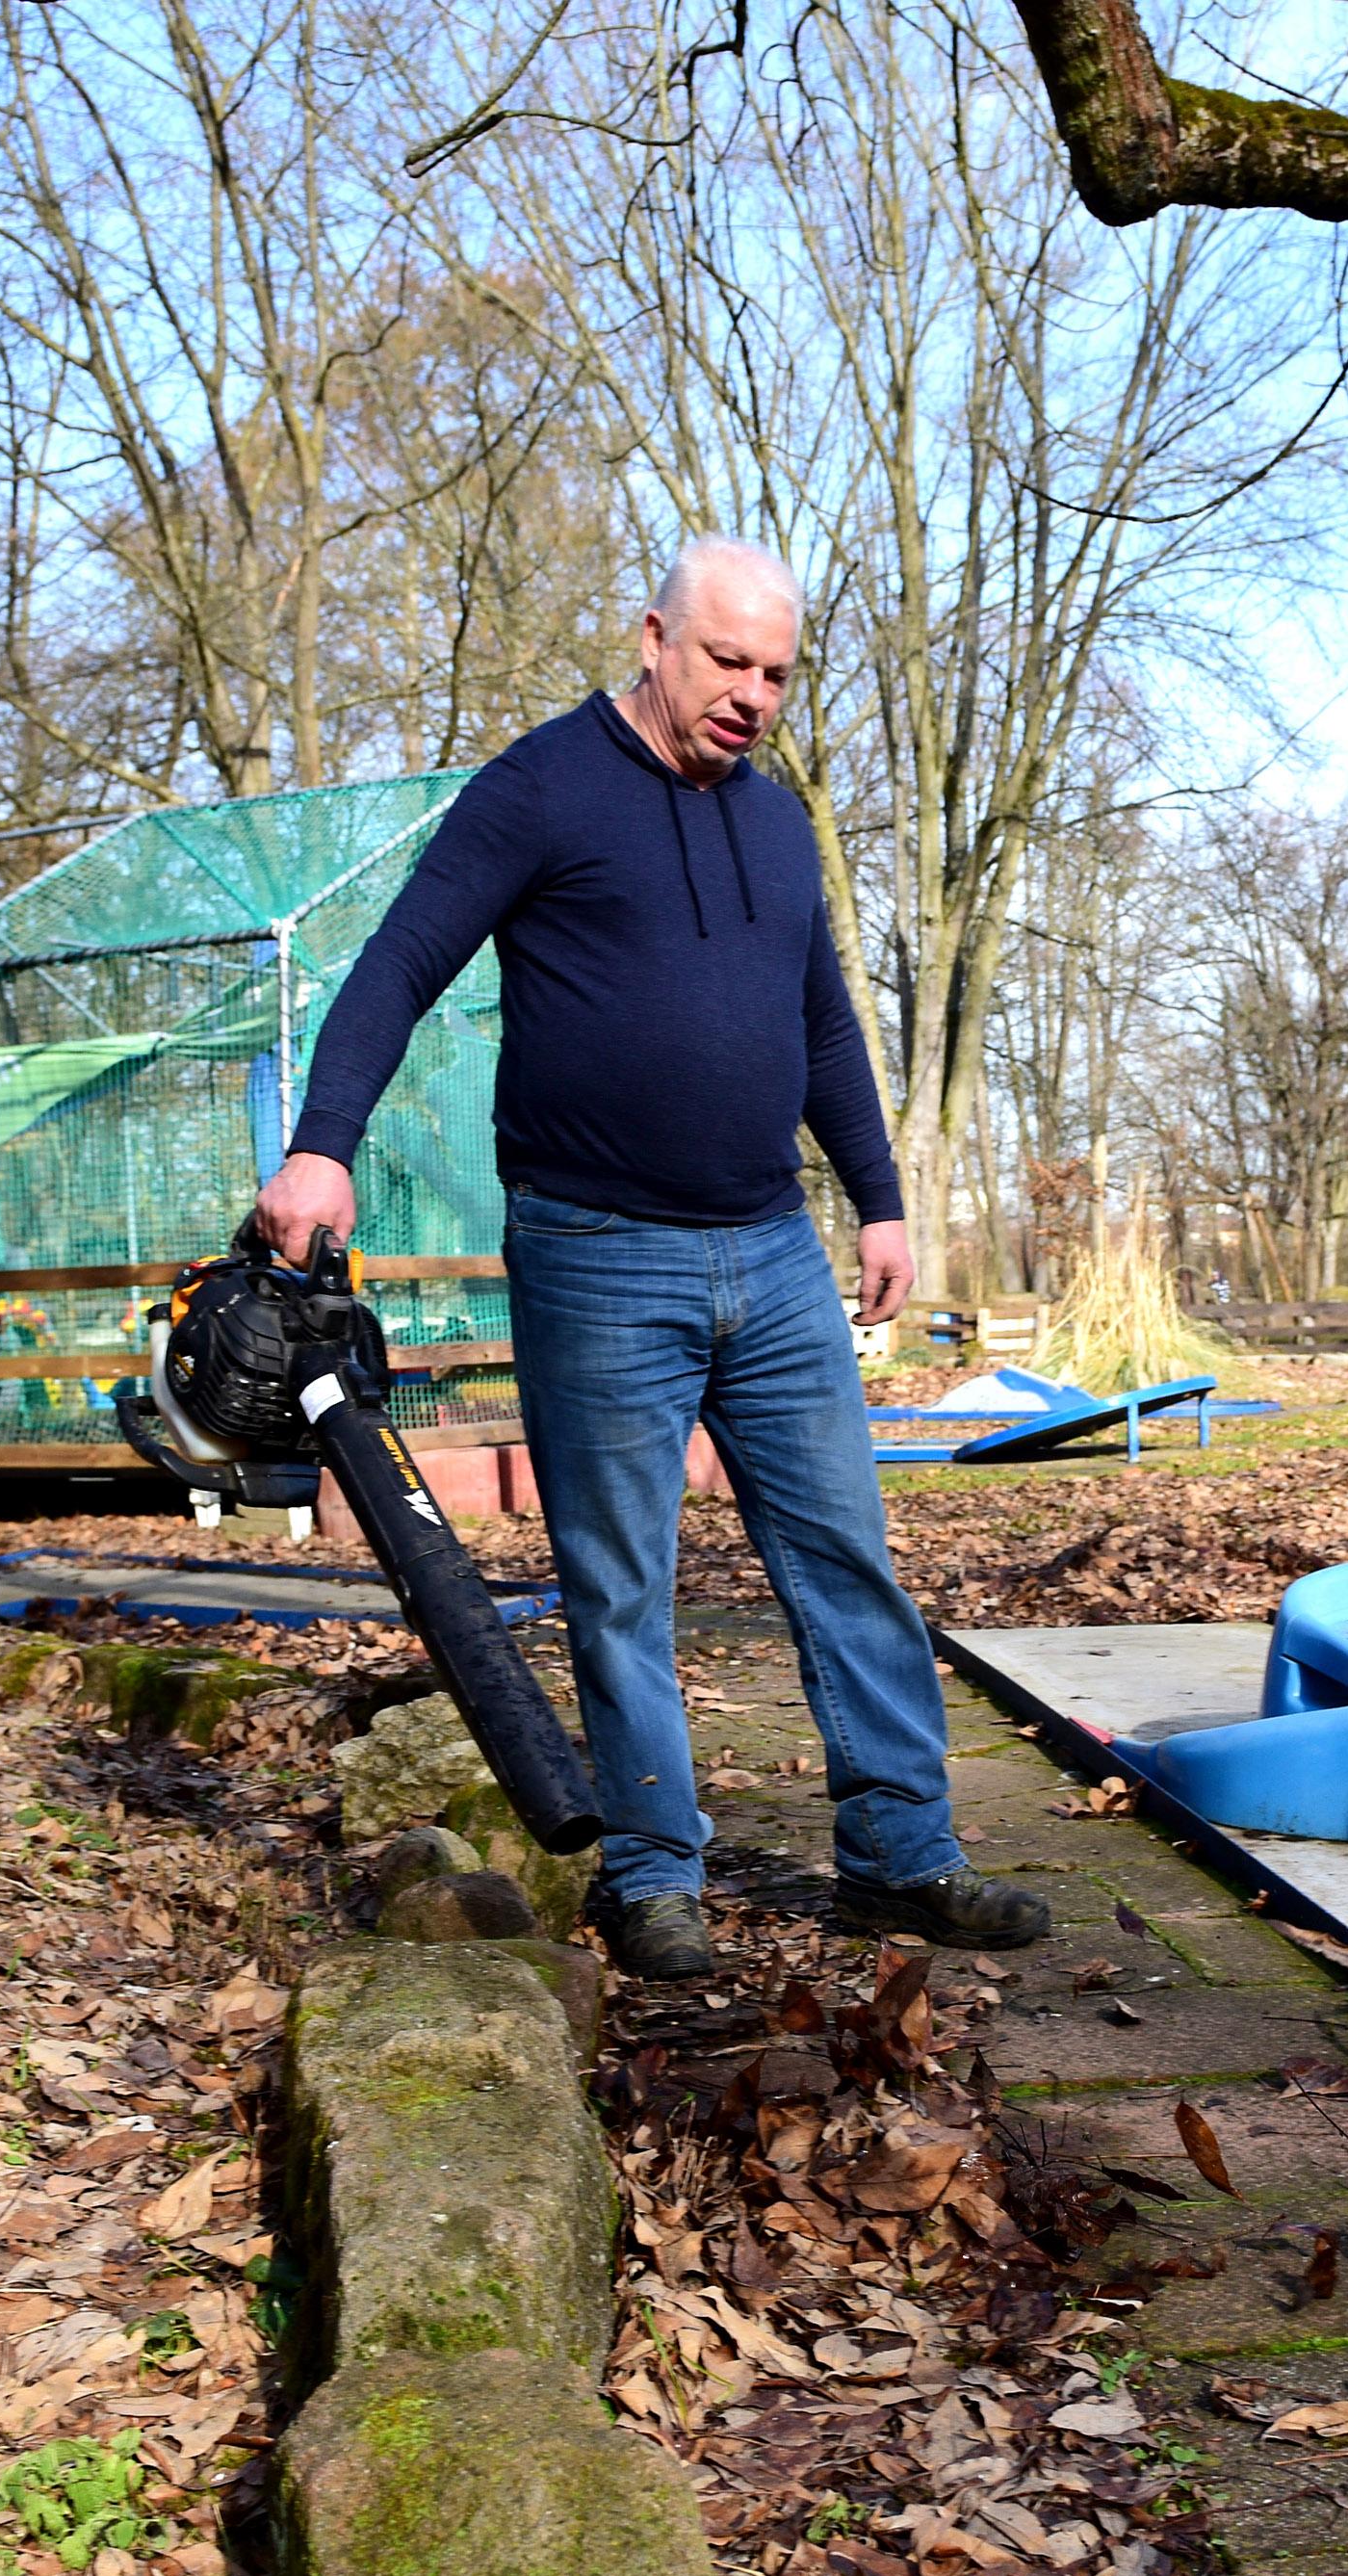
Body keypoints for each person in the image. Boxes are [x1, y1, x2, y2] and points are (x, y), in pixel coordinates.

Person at [247, 535, 1052, 1980]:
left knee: (843, 1554)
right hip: (599, 1253)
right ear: (655, 638)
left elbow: (819, 1023)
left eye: (778, 674)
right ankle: (654, 1871)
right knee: (622, 1580)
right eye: (727, 661)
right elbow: (399, 965)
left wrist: (877, 1197)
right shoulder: (541, 786)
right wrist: (324, 1143)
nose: (751, 695)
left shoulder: (775, 823)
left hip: (772, 1247)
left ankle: (902, 1854)